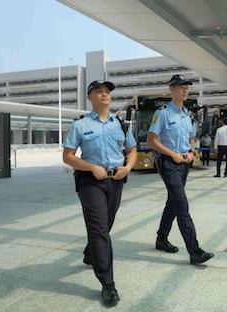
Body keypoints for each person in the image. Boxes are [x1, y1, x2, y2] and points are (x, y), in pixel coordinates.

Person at [63, 80, 137, 306]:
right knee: (99, 229)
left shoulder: (121, 125)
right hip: (90, 181)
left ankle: (90, 252)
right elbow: (68, 156)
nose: (104, 95)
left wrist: (128, 167)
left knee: (105, 225)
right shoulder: (81, 125)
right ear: (90, 97)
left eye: (107, 92)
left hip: (116, 180)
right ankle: (108, 284)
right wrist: (91, 167)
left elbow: (132, 149)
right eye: (99, 92)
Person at [147, 74, 214, 265]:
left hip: (185, 163)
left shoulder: (188, 114)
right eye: (181, 87)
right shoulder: (163, 114)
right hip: (168, 163)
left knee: (173, 202)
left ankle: (161, 238)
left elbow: (192, 137)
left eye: (187, 88)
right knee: (182, 205)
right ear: (172, 89)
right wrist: (172, 154)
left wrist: (192, 151)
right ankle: (194, 251)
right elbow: (151, 141)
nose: (185, 90)